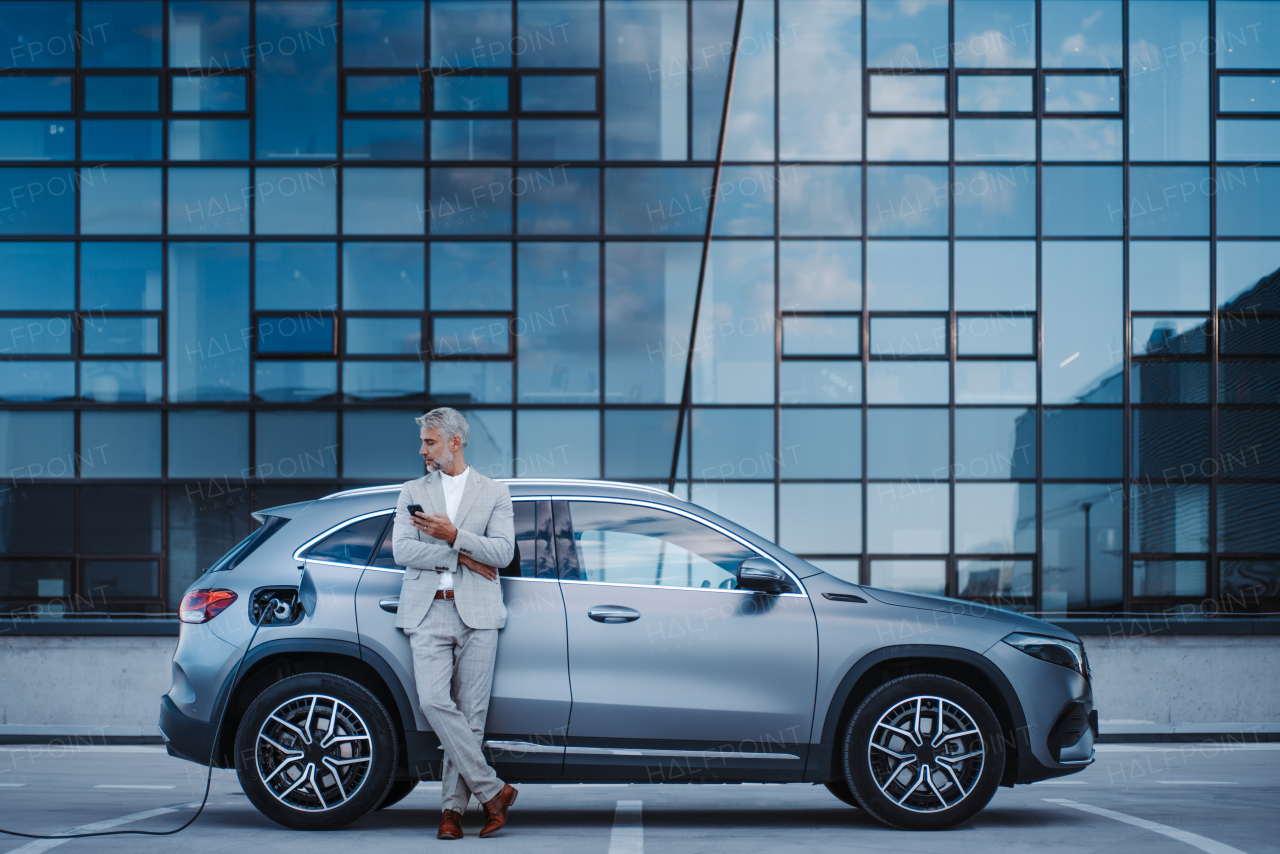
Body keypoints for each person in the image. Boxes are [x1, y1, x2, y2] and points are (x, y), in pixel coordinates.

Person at [392, 407, 518, 839]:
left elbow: (502, 553)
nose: (423, 449)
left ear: (454, 442)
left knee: (471, 717)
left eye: (429, 441)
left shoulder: (494, 492)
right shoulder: (412, 489)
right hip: (428, 610)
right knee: (432, 702)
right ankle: (492, 790)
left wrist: (453, 535)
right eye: (424, 441)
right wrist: (459, 554)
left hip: (478, 613)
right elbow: (403, 551)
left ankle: (452, 812)